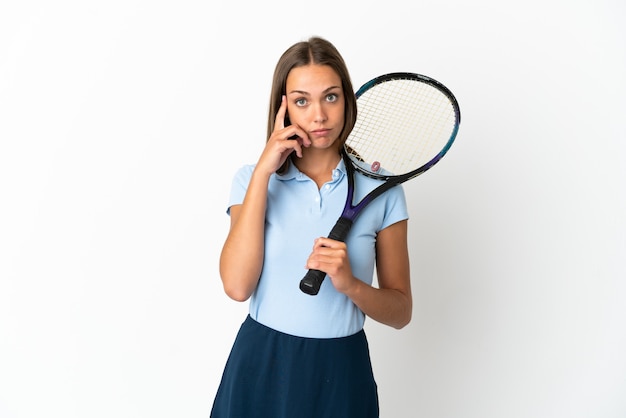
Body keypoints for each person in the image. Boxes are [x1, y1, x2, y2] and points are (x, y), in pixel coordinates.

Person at [211, 36, 412, 418]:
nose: (318, 116)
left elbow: (400, 311)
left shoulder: (383, 190)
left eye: (331, 97)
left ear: (348, 100)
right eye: (302, 100)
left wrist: (351, 284)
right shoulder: (252, 181)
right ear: (283, 107)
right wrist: (263, 172)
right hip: (262, 363)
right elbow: (237, 287)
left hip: (341, 370)